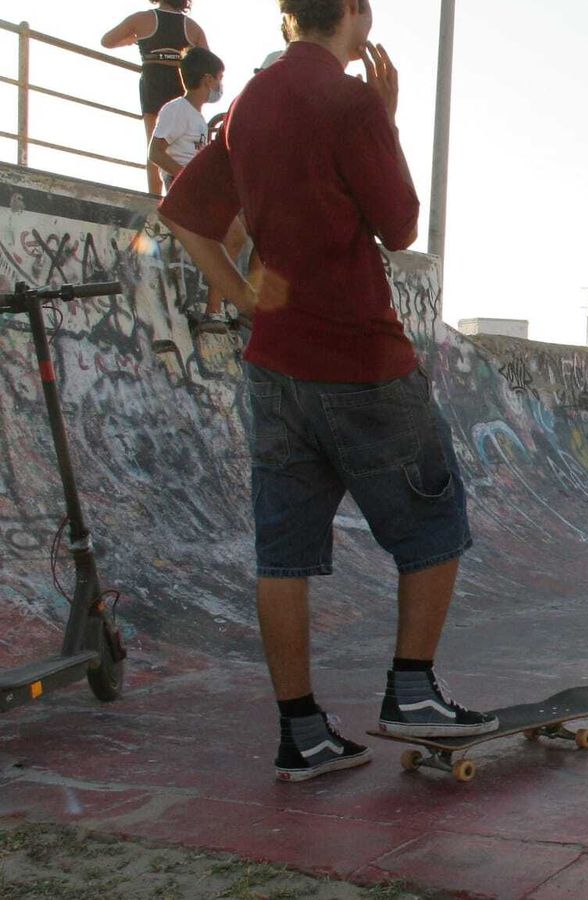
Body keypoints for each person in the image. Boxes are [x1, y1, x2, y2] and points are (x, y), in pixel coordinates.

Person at [157, 0, 499, 782]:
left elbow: (181, 213)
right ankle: (411, 692)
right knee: (434, 520)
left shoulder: (249, 101)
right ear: (349, 12)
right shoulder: (350, 100)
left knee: (284, 555)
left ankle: (301, 733)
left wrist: (243, 296)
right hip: (361, 360)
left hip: (274, 365)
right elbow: (401, 223)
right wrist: (386, 120)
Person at [148, 46, 241, 334]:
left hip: (199, 186)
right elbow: (155, 152)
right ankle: (215, 309)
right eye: (219, 78)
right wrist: (188, 178)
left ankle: (220, 306)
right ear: (207, 79)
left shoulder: (197, 117)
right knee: (235, 235)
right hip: (185, 186)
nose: (220, 85)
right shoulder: (177, 110)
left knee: (240, 231)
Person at [102, 0, 211, 196]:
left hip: (153, 80)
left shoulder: (141, 19)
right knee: (183, 145)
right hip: (181, 82)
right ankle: (182, 193)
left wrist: (129, 40)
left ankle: (154, 198)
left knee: (153, 144)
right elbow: (208, 63)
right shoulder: (193, 28)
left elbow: (107, 40)